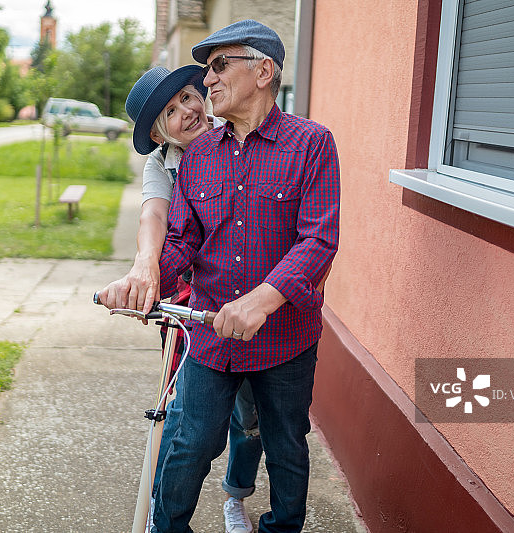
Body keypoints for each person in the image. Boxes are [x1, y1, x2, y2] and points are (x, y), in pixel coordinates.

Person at [103, 19, 340, 533]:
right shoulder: (197, 156)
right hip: (210, 336)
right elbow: (180, 240)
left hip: (285, 337)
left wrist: (260, 302)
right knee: (189, 443)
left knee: (285, 446)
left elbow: (318, 241)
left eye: (218, 66)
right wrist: (143, 281)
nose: (207, 80)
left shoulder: (313, 144)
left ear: (263, 71)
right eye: (207, 70)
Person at [99, 65, 263, 533]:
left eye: (188, 97)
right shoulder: (163, 165)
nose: (187, 111)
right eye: (170, 112)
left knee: (250, 416)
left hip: (251, 296)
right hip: (193, 296)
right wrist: (144, 266)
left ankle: (236, 495)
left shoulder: (239, 132)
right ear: (158, 135)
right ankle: (163, 511)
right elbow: (153, 215)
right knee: (180, 410)